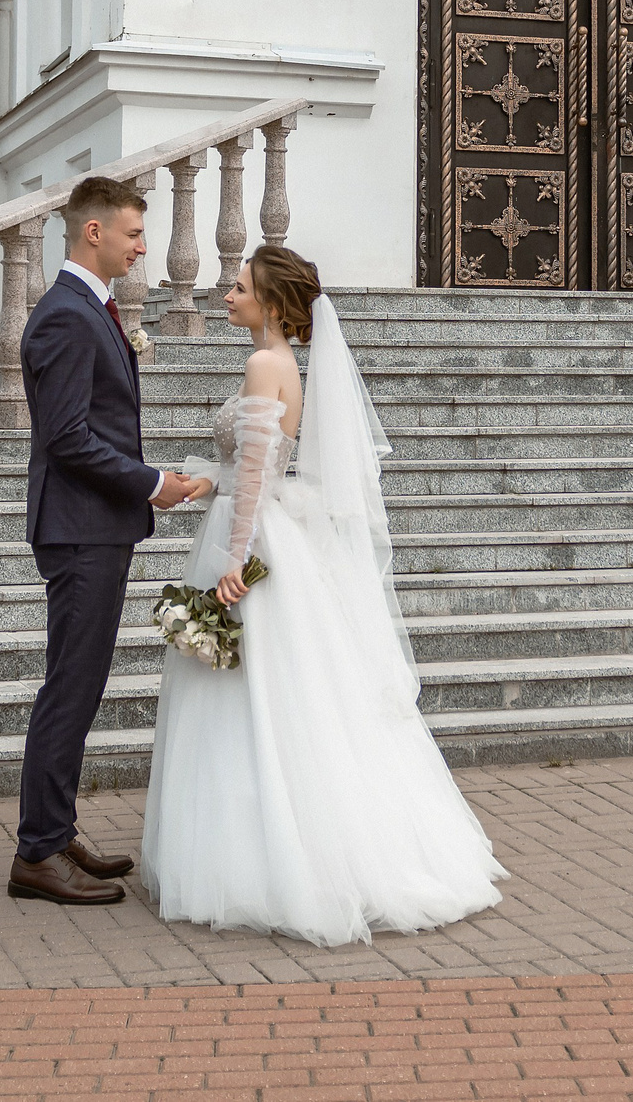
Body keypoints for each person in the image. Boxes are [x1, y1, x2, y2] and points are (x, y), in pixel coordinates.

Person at [140, 244, 509, 945]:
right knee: (285, 697)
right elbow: (254, 465)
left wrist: (234, 562)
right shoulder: (283, 363)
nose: (227, 294)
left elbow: (257, 476)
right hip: (265, 527)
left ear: (272, 303)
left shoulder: (264, 363)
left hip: (252, 540)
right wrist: (205, 482)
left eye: (239, 287)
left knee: (249, 698)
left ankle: (260, 860)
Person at [9, 175, 211, 906]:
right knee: (71, 685)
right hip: (80, 528)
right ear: (93, 232)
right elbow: (68, 438)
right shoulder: (66, 315)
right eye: (133, 233)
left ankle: (55, 833)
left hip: (92, 526)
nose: (142, 247)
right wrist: (151, 482)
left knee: (80, 682)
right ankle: (38, 852)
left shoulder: (89, 308)